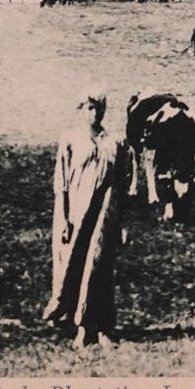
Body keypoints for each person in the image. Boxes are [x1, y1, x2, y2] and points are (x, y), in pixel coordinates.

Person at [42, 92, 128, 349]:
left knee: (99, 267)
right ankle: (76, 322)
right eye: (90, 108)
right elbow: (62, 182)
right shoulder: (70, 140)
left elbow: (122, 185)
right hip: (77, 215)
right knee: (74, 266)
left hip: (104, 216)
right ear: (81, 109)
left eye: (99, 108)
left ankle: (99, 326)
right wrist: (65, 218)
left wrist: (123, 223)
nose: (95, 113)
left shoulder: (115, 143)